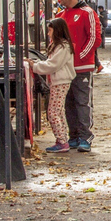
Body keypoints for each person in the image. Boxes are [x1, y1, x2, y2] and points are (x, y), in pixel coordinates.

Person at [55, 0, 101, 153]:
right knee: (69, 102)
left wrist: (80, 56)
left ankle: (85, 136)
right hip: (65, 68)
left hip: (81, 67)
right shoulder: (61, 15)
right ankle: (73, 136)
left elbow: (94, 38)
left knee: (82, 102)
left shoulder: (87, 12)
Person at [27, 19, 76, 153]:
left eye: (50, 30)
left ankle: (62, 141)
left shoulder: (63, 47)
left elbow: (53, 64)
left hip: (60, 81)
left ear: (57, 30)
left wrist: (34, 65)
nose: (48, 34)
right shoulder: (60, 46)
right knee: (58, 111)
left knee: (53, 112)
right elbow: (51, 62)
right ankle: (62, 139)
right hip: (58, 81)